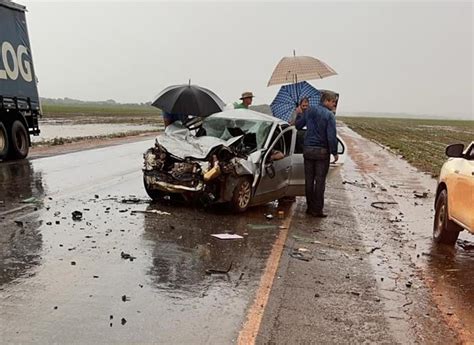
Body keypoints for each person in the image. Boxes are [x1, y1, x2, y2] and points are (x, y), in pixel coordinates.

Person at [295, 91, 338, 218]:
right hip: (321, 152)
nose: (334, 104)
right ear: (326, 101)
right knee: (320, 182)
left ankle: (309, 208)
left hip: (307, 150)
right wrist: (334, 152)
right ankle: (317, 210)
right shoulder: (329, 115)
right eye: (333, 102)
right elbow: (331, 136)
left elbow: (298, 126)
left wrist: (299, 114)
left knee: (309, 180)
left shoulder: (308, 111)